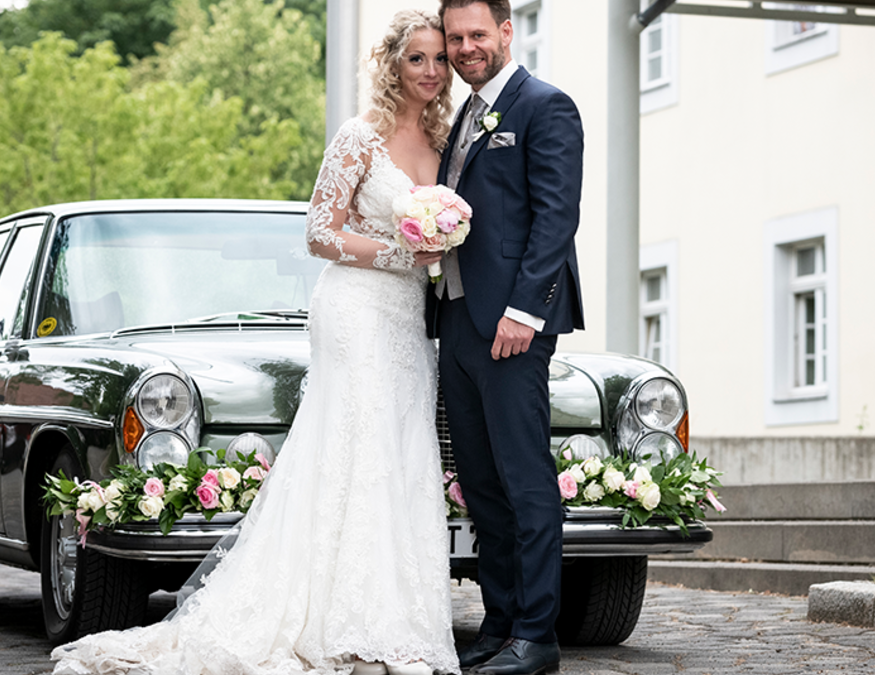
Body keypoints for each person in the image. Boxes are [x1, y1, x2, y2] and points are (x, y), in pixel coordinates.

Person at [51, 10, 460, 675]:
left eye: (439, 60)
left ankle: (399, 621)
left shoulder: (446, 140)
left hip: (408, 318)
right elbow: (319, 232)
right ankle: (345, 624)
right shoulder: (360, 137)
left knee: (403, 448)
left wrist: (437, 243)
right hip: (356, 307)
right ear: (393, 63)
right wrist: (398, 252)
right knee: (358, 445)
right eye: (417, 58)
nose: (431, 71)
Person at [427, 1, 584, 674]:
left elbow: (555, 216)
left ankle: (537, 634)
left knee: (525, 480)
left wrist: (527, 309)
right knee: (481, 481)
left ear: (507, 31)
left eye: (477, 35)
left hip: (514, 324)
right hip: (458, 320)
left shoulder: (544, 105)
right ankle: (498, 621)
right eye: (456, 37)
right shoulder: (462, 115)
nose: (466, 48)